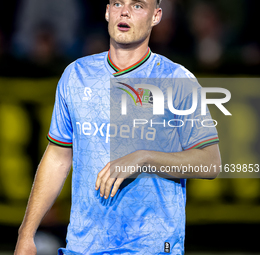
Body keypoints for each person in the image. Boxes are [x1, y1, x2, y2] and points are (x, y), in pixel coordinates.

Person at [14, 0, 221, 254]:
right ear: (106, 11)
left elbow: (210, 162)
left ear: (156, 16)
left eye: (137, 6)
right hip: (84, 246)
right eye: (117, 3)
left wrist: (143, 158)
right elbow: (58, 156)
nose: (124, 11)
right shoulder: (76, 75)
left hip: (152, 247)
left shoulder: (177, 80)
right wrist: (26, 233)